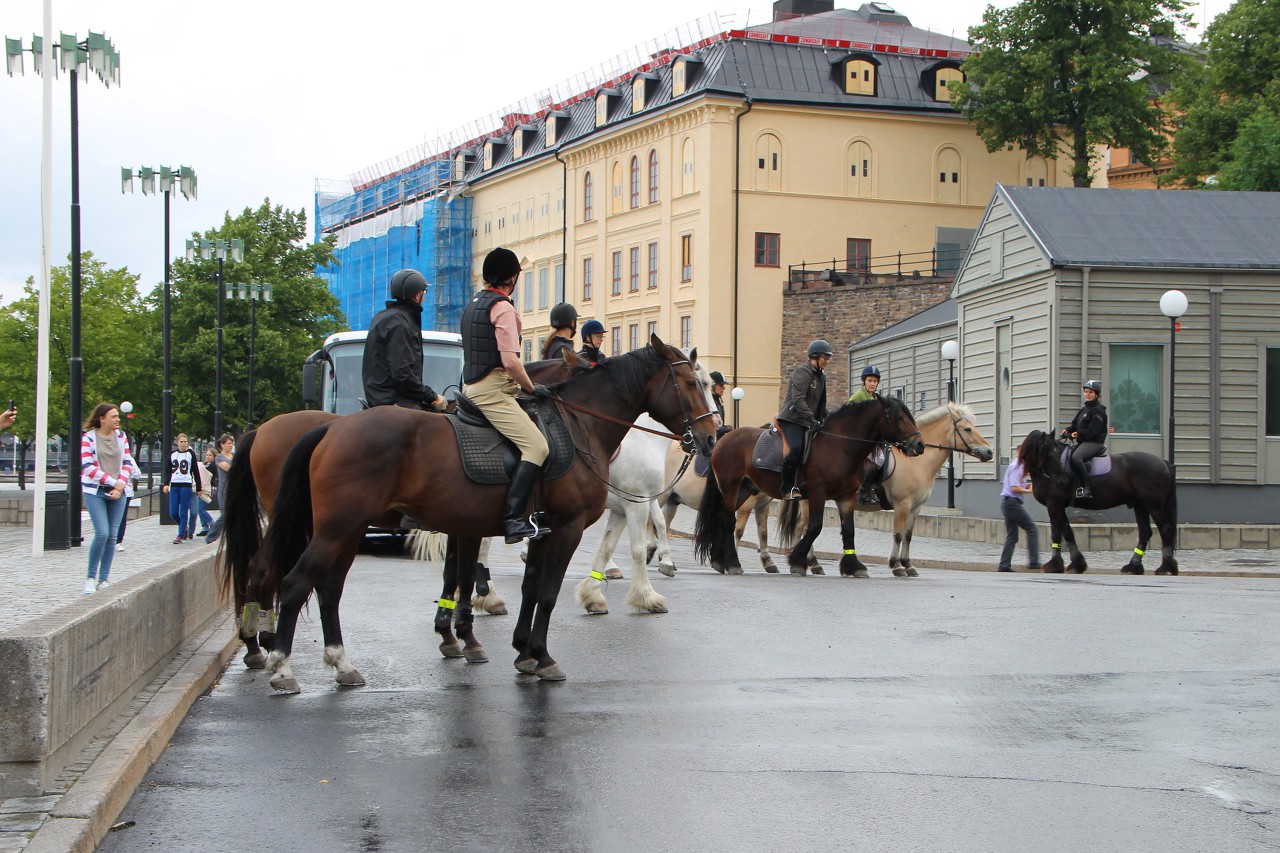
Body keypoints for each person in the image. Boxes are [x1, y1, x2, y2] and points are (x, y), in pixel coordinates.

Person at [462, 247, 551, 544]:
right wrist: (531, 387)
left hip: (470, 386)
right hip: (492, 391)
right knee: (537, 447)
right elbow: (511, 362)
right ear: (512, 278)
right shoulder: (503, 308)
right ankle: (514, 518)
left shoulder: (474, 302)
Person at [362, 268, 448, 411]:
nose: (424, 296)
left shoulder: (383, 318)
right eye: (423, 292)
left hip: (379, 400)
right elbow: (402, 375)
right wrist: (432, 396)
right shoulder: (400, 324)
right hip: (396, 403)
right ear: (416, 296)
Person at [80, 403, 137, 595]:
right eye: (113, 416)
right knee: (102, 533)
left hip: (118, 492)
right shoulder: (88, 438)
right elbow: (88, 467)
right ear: (102, 418)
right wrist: (114, 482)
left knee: (112, 536)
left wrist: (120, 485)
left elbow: (128, 461)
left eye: (118, 416)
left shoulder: (121, 436)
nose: (118, 419)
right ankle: (90, 577)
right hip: (96, 491)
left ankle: (104, 579)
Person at [776, 339, 831, 499]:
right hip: (792, 419)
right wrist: (812, 419)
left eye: (828, 358)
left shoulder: (822, 376)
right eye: (825, 357)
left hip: (808, 420)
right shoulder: (802, 372)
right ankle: (787, 487)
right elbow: (798, 400)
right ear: (814, 356)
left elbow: (819, 404)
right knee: (795, 449)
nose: (827, 361)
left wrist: (831, 416)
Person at [1061, 380, 1109, 499]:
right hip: (1084, 441)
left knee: (1076, 457)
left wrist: (1076, 434)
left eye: (1090, 392)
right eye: (1086, 392)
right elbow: (1074, 425)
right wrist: (1068, 430)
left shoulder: (1098, 411)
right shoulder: (1084, 410)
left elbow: (1093, 432)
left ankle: (1087, 488)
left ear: (1096, 395)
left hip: (1094, 442)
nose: (1087, 394)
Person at [997, 451, 1040, 572]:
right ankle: (1034, 562)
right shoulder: (1018, 467)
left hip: (1008, 502)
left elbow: (1017, 485)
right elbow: (1014, 488)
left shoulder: (1017, 466)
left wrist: (1027, 486)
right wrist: (1029, 491)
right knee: (1031, 528)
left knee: (1012, 536)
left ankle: (1004, 565)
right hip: (1012, 503)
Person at [848, 365, 885, 505]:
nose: (872, 384)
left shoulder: (875, 398)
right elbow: (849, 415)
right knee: (879, 459)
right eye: (870, 380)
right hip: (858, 437)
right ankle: (864, 492)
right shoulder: (858, 397)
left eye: (875, 381)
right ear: (864, 381)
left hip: (872, 437)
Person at [163, 433, 204, 544]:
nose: (183, 444)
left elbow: (195, 471)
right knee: (173, 512)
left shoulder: (191, 454)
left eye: (185, 442)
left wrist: (199, 487)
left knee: (183, 511)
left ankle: (180, 535)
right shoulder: (173, 454)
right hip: (175, 485)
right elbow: (168, 470)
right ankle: (183, 526)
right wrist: (166, 483)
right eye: (181, 442)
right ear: (177, 442)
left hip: (186, 485)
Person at [203, 434, 235, 544]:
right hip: (224, 490)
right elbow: (227, 468)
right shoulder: (219, 457)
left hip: (234, 488)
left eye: (232, 443)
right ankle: (211, 536)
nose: (231, 445)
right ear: (222, 445)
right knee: (225, 514)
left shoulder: (234, 456)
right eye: (228, 443)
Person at [189, 447, 216, 537]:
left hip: (209, 489)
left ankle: (212, 524)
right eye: (207, 455)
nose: (208, 457)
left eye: (210, 455)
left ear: (214, 456)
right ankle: (205, 527)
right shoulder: (206, 465)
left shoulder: (213, 466)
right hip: (203, 488)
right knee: (199, 507)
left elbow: (204, 474)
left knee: (200, 508)